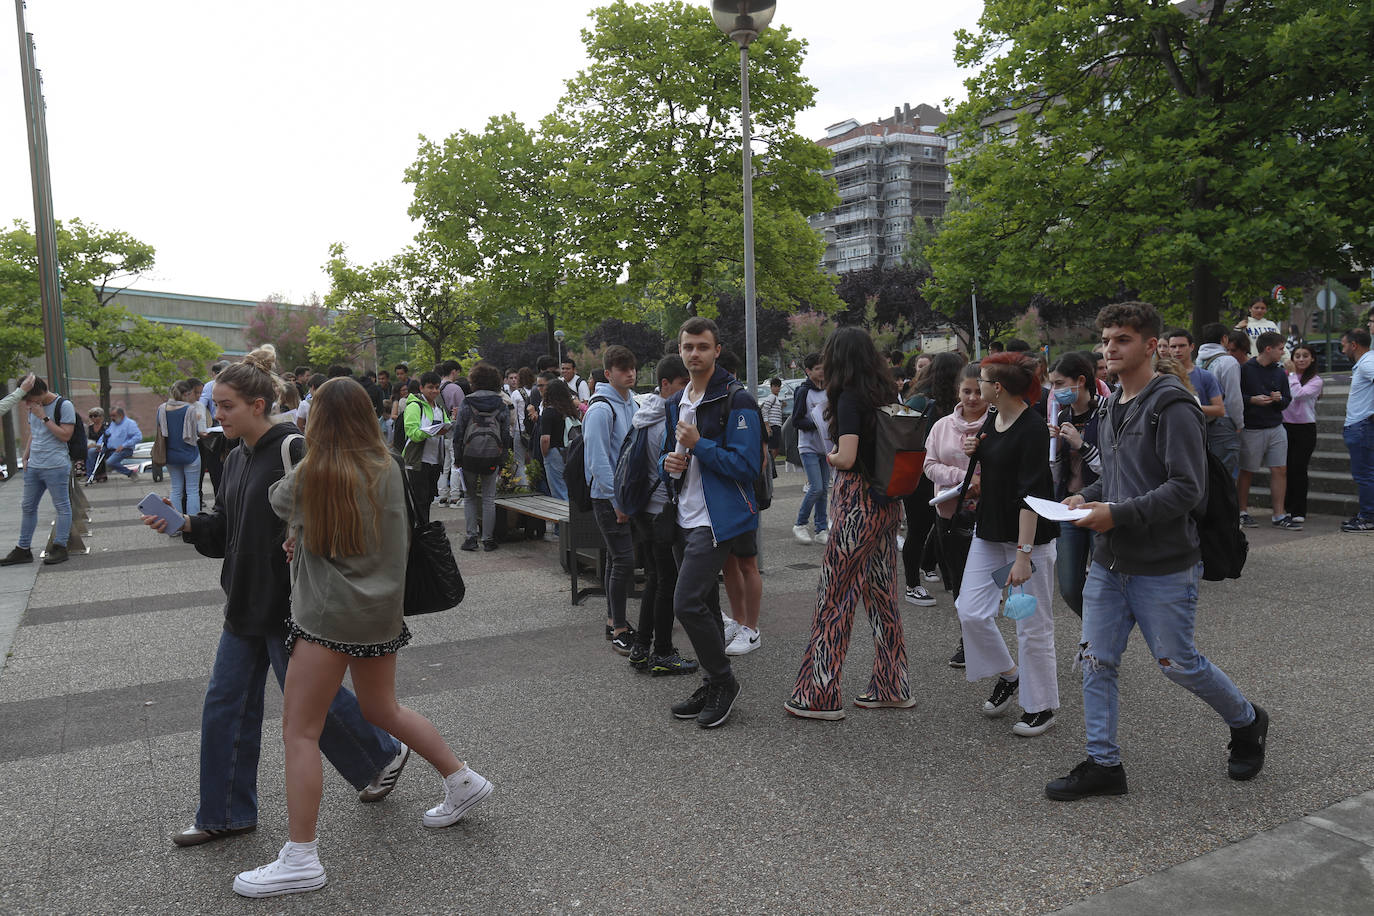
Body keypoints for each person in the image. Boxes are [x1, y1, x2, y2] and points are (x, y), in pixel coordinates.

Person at [232, 377, 492, 898]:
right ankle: (461, 778)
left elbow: (276, 501)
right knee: (382, 709)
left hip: (328, 618)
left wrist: (300, 534)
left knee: (300, 731)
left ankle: (301, 857)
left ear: (320, 420)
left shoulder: (314, 470)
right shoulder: (390, 465)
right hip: (381, 613)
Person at [140, 347, 407, 850]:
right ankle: (224, 814)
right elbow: (226, 530)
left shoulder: (295, 448)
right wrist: (188, 524)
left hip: (294, 603)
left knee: (308, 708)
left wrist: (307, 547)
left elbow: (339, 515)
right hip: (244, 599)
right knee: (225, 705)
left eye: (225, 406)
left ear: (258, 405)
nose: (216, 415)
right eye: (215, 405)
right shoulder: (234, 457)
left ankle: (379, 756)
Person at [1047, 301, 1268, 801]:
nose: (1109, 350)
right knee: (1095, 662)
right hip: (1109, 561)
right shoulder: (1109, 406)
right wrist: (1089, 494)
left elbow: (1188, 489)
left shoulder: (1173, 405)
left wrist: (1116, 512)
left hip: (1164, 564)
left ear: (1150, 346)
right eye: (1105, 341)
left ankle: (1247, 720)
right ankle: (1104, 764)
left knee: (1179, 663)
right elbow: (1123, 478)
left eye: (1121, 340)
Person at [785, 327, 912, 719]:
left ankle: (819, 693)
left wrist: (832, 456)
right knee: (883, 596)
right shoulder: (886, 393)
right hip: (887, 501)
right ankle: (892, 685)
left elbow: (848, 455)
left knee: (834, 595)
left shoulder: (849, 398)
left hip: (857, 501)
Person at [662, 317, 762, 729]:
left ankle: (723, 681)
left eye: (702, 346)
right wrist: (667, 463)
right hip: (683, 514)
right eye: (688, 347)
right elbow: (674, 459)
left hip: (716, 519)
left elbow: (747, 466)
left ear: (717, 350)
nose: (694, 354)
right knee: (702, 603)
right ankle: (712, 680)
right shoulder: (676, 402)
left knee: (684, 602)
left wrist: (698, 444)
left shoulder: (737, 401)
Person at [955, 353, 1059, 738]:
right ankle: (1011, 676)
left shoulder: (1032, 427)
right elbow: (999, 462)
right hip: (990, 532)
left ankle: (1041, 706)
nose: (977, 387)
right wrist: (977, 453)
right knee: (971, 612)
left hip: (1027, 540)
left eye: (981, 381)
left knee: (1032, 626)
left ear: (997, 388)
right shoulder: (993, 419)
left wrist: (1024, 555)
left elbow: (1031, 494)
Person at [626, 356, 698, 676]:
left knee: (655, 580)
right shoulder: (665, 418)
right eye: (683, 384)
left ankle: (641, 647)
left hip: (643, 507)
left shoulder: (644, 413)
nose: (686, 391)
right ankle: (663, 652)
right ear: (666, 384)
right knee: (666, 582)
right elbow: (672, 469)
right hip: (660, 510)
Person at [924, 364, 990, 668]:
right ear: (957, 392)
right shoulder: (941, 426)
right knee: (960, 580)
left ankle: (988, 637)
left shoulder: (999, 423)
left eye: (979, 391)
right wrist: (961, 477)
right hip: (950, 512)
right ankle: (969, 640)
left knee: (991, 580)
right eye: (967, 391)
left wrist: (982, 481)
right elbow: (929, 465)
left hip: (990, 513)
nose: (973, 398)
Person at [583, 346, 640, 653]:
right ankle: (618, 626)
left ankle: (613, 620)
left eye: (632, 367)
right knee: (624, 560)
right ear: (608, 373)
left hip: (623, 495)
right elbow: (598, 460)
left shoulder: (630, 401)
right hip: (608, 497)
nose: (629, 373)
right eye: (622, 369)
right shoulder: (602, 408)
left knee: (618, 559)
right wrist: (616, 500)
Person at [1046, 351, 1107, 619]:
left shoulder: (1107, 412)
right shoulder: (1062, 416)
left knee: (1105, 583)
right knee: (1070, 587)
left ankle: (1098, 641)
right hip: (1068, 506)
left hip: (1100, 506)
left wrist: (1081, 445)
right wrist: (1050, 447)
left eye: (1059, 384)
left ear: (1080, 381)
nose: (1054, 391)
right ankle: (1096, 631)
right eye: (1052, 385)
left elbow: (1112, 469)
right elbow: (1058, 471)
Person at [901, 353, 962, 606]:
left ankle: (952, 581)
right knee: (919, 529)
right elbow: (900, 435)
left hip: (945, 477)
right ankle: (912, 584)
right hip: (920, 476)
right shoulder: (922, 401)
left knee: (943, 529)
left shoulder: (956, 401)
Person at [0, 375, 74, 566]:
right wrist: (26, 455)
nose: (27, 404)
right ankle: (23, 549)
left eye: (29, 399)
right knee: (27, 506)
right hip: (35, 465)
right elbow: (35, 432)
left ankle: (60, 546)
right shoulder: (33, 407)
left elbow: (65, 435)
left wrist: (44, 417)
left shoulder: (63, 406)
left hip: (56, 465)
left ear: (39, 393)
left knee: (62, 506)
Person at [1236, 331, 1297, 530]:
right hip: (1252, 427)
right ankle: (1242, 511)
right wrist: (1251, 400)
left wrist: (1280, 399)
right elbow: (1236, 396)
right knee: (1247, 470)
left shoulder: (1279, 372)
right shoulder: (1245, 370)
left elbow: (1287, 399)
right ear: (1268, 349)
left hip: (1276, 426)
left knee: (1280, 469)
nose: (1283, 352)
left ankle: (1279, 514)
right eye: (1281, 348)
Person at [452, 362, 511, 552]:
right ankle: (488, 539)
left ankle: (471, 538)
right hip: (492, 456)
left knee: (469, 497)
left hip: (470, 456)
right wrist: (503, 460)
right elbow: (505, 435)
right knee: (488, 498)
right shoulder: (501, 404)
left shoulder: (467, 402)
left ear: (474, 381)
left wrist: (458, 457)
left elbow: (459, 431)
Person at [790, 352, 831, 545]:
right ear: (808, 371)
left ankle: (821, 528)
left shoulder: (829, 389)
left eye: (823, 367)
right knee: (816, 487)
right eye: (817, 368)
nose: (822, 371)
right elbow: (797, 420)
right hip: (808, 447)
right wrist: (817, 423)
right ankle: (800, 523)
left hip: (825, 446)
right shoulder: (803, 391)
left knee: (824, 490)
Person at [401, 371, 450, 528]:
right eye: (430, 388)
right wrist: (431, 431)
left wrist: (447, 426)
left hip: (435, 460)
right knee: (419, 500)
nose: (434, 391)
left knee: (428, 498)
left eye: (437, 388)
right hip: (418, 461)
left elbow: (447, 424)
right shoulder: (414, 406)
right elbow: (412, 433)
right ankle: (421, 533)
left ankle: (423, 531)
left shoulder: (439, 407)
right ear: (421, 388)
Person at [1197, 323, 1245, 477]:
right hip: (1223, 421)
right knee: (1225, 473)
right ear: (1224, 339)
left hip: (1200, 420)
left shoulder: (1196, 360)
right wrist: (1239, 423)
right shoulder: (1228, 362)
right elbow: (1233, 398)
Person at [1281, 344, 1322, 524]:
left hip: (1305, 428)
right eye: (1297, 356)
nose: (1301, 359)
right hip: (1284, 426)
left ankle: (1299, 511)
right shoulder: (1284, 376)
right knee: (1285, 468)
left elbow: (1298, 394)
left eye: (1305, 356)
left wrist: (1291, 375)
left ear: (1312, 358)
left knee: (1298, 468)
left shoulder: (1316, 380)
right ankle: (1286, 508)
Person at [1339, 328, 1374, 532]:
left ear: (1354, 345)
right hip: (1360, 425)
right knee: (1367, 473)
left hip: (1361, 425)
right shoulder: (1367, 362)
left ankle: (1368, 517)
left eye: (1344, 345)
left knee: (1365, 474)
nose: (1343, 350)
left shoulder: (1368, 362)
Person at [159, 380, 208, 516]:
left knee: (176, 489)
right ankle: (193, 524)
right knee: (192, 490)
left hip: (170, 454)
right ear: (187, 393)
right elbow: (196, 433)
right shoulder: (190, 410)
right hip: (190, 454)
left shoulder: (162, 409)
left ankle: (176, 524)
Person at [538, 379, 578, 501]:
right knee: (570, 487)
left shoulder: (548, 412)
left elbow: (545, 439)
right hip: (571, 451)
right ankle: (574, 517)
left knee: (558, 490)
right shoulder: (570, 410)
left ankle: (563, 519)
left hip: (554, 452)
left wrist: (545, 454)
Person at [436, 360, 467, 507]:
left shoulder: (436, 388)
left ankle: (442, 496)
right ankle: (455, 496)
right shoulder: (455, 389)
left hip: (440, 431)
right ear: (453, 371)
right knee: (456, 463)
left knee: (444, 466)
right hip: (454, 431)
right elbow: (463, 412)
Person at [103, 405, 142, 480]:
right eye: (111, 416)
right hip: (110, 449)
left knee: (109, 462)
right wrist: (98, 444)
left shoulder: (130, 423)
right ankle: (92, 475)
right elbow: (105, 434)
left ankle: (130, 473)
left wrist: (124, 445)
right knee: (92, 452)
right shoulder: (113, 424)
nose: (112, 418)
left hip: (125, 449)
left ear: (121, 415)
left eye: (114, 416)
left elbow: (138, 437)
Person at [760, 377, 785, 461]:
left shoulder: (776, 399)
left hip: (777, 425)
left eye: (778, 386)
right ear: (771, 387)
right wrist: (767, 426)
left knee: (776, 448)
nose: (777, 388)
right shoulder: (771, 397)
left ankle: (771, 465)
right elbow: (764, 410)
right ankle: (769, 465)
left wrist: (781, 407)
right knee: (773, 449)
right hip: (772, 426)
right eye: (775, 386)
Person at [84, 405, 110, 482]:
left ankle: (92, 475)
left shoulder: (106, 427)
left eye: (95, 416)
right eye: (91, 416)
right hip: (92, 447)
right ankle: (93, 474)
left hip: (104, 446)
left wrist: (98, 445)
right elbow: (86, 439)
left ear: (101, 417)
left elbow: (109, 439)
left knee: (92, 452)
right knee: (88, 452)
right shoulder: (89, 428)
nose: (93, 418)